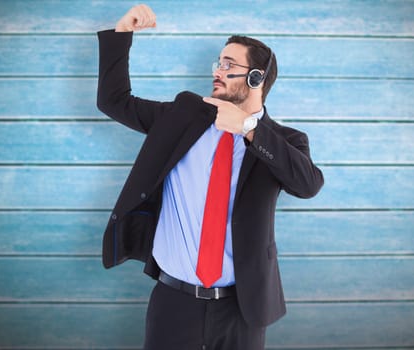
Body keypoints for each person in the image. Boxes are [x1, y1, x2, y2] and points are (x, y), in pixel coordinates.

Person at [96, 4, 324, 350]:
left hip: (241, 308)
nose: (218, 71)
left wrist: (249, 129)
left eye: (229, 65)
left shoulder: (284, 142)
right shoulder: (182, 117)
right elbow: (113, 101)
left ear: (256, 78)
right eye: (218, 62)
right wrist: (122, 33)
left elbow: (308, 185)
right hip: (173, 300)